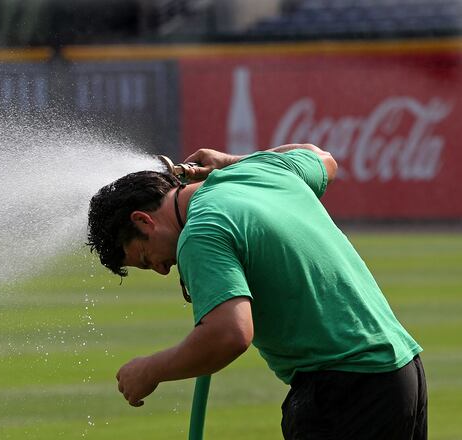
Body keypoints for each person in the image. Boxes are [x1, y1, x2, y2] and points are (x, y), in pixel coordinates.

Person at [86, 144, 426, 439]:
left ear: (144, 221)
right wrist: (233, 161)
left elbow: (229, 334)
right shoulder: (257, 172)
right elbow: (321, 159)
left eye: (146, 259)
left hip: (346, 392)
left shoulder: (201, 233)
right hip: (401, 374)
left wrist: (150, 370)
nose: (161, 269)